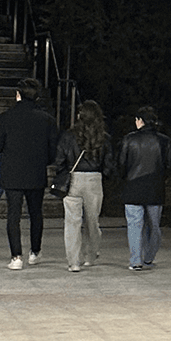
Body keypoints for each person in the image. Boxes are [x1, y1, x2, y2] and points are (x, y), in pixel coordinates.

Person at [0, 77, 58, 270]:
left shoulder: (6, 117)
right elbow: (53, 151)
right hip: (36, 173)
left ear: (18, 95)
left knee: (13, 215)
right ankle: (35, 252)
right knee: (36, 213)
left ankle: (16, 256)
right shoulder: (47, 120)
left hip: (12, 173)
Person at [113, 107, 171, 271]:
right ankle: (149, 257)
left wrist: (125, 179)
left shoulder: (128, 139)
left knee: (134, 225)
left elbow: (121, 164)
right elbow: (168, 166)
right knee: (154, 225)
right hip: (155, 187)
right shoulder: (164, 140)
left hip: (133, 187)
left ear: (140, 120)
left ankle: (135, 260)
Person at [56, 100, 108, 271]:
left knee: (72, 222)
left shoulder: (68, 136)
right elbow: (109, 165)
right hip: (94, 179)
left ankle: (73, 262)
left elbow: (60, 160)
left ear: (79, 115)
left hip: (73, 180)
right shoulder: (104, 138)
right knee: (93, 221)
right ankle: (91, 255)